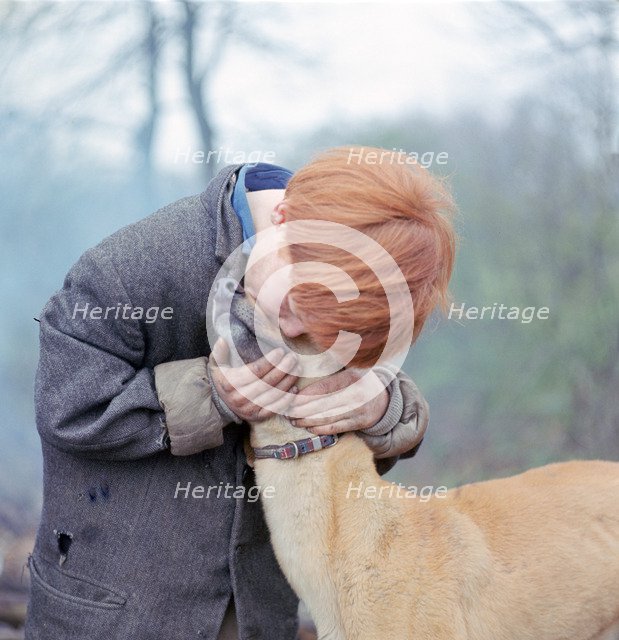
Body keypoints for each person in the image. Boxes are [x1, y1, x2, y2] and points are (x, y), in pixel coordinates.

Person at [25, 147, 455, 640]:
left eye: (323, 326)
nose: (297, 326)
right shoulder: (127, 269)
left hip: (257, 617)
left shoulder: (359, 274)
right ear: (282, 217)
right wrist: (211, 396)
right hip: (115, 616)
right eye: (296, 301)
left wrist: (381, 410)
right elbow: (65, 406)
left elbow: (376, 433)